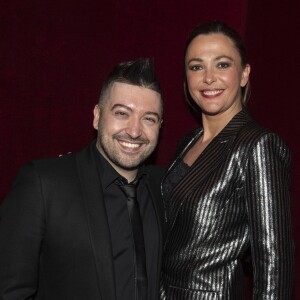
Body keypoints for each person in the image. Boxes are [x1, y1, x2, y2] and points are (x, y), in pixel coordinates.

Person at [0, 58, 165, 300]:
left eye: (149, 118)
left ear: (160, 126)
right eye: (122, 113)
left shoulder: (165, 186)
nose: (134, 130)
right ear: (97, 116)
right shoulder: (43, 184)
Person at [160, 21, 294, 299]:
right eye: (196, 67)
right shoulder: (187, 142)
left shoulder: (258, 144)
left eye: (222, 65)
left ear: (244, 74)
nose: (208, 78)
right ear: (186, 79)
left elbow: (274, 263)